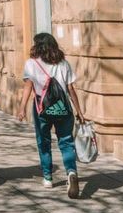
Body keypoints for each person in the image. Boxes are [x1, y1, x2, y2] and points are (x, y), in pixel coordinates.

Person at [17, 32, 84, 199]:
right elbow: (70, 90)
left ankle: (48, 177)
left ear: (37, 46)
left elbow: (28, 87)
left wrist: (22, 108)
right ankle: (71, 172)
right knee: (67, 141)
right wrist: (79, 111)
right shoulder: (64, 63)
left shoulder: (31, 64)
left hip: (42, 109)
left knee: (44, 141)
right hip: (64, 109)